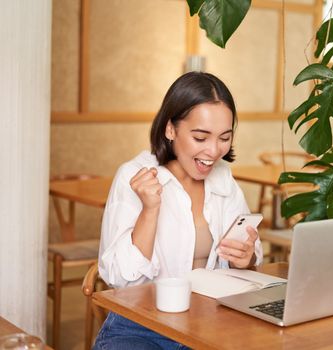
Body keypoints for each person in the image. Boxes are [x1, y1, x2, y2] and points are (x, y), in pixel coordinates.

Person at [93, 72, 264, 350]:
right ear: (170, 129)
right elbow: (120, 278)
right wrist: (150, 210)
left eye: (224, 138)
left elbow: (251, 252)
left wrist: (244, 258)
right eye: (200, 137)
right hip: (140, 326)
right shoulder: (134, 175)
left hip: (211, 322)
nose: (213, 151)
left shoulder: (223, 178)